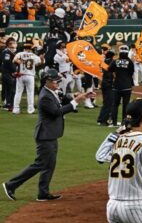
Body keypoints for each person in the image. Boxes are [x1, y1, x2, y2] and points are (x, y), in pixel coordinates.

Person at [3, 68, 93, 201]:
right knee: (40, 163)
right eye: (55, 81)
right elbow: (56, 112)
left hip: (50, 134)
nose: (58, 83)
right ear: (47, 81)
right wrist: (76, 101)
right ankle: (11, 185)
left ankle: (43, 193)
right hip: (45, 135)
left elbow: (62, 98)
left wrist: (78, 95)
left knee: (49, 164)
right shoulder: (45, 96)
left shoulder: (51, 91)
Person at [12, 41, 41, 114]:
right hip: (30, 76)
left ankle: (16, 109)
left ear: (24, 48)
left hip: (20, 75)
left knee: (18, 92)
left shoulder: (20, 54)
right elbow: (39, 63)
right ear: (31, 48)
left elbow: (14, 60)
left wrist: (20, 62)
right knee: (30, 93)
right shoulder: (34, 55)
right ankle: (30, 110)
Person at [111, 45, 136, 123]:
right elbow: (131, 73)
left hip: (117, 86)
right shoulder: (130, 62)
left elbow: (110, 69)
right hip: (127, 86)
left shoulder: (115, 61)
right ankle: (124, 122)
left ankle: (113, 121)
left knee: (115, 104)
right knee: (126, 105)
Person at [97, 47, 117, 127]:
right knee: (109, 103)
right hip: (109, 84)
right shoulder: (113, 62)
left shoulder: (103, 61)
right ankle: (103, 121)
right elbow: (114, 74)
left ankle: (101, 119)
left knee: (106, 103)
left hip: (104, 84)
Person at [2, 37, 18, 111]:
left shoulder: (12, 52)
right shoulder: (6, 52)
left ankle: (8, 103)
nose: (14, 46)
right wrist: (13, 71)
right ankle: (9, 104)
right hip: (7, 73)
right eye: (13, 44)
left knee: (9, 89)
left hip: (9, 73)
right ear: (8, 45)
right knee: (11, 89)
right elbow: (7, 63)